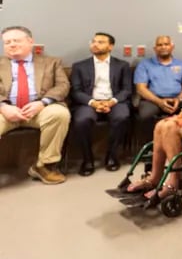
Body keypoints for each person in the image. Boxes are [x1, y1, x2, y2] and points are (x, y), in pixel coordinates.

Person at [0, 26, 70, 184]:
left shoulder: (51, 62)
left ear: (30, 42)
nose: (11, 45)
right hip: (5, 111)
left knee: (59, 114)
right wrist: (3, 107)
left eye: (16, 40)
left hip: (38, 110)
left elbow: (62, 86)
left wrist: (42, 103)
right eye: (7, 42)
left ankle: (44, 165)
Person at [70, 32, 133, 176]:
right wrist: (94, 103)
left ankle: (111, 155)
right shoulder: (79, 66)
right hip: (89, 102)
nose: (95, 44)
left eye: (100, 42)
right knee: (82, 120)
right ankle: (87, 159)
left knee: (122, 116)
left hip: (114, 101)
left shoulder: (122, 65)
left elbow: (127, 89)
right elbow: (76, 91)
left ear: (110, 46)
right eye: (93, 41)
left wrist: (111, 102)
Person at [133, 36, 182, 135]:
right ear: (155, 49)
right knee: (145, 115)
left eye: (166, 44)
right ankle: (150, 147)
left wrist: (179, 98)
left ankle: (179, 146)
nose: (163, 47)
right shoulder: (145, 64)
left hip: (178, 99)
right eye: (159, 45)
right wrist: (159, 102)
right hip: (153, 100)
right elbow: (140, 88)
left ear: (172, 47)